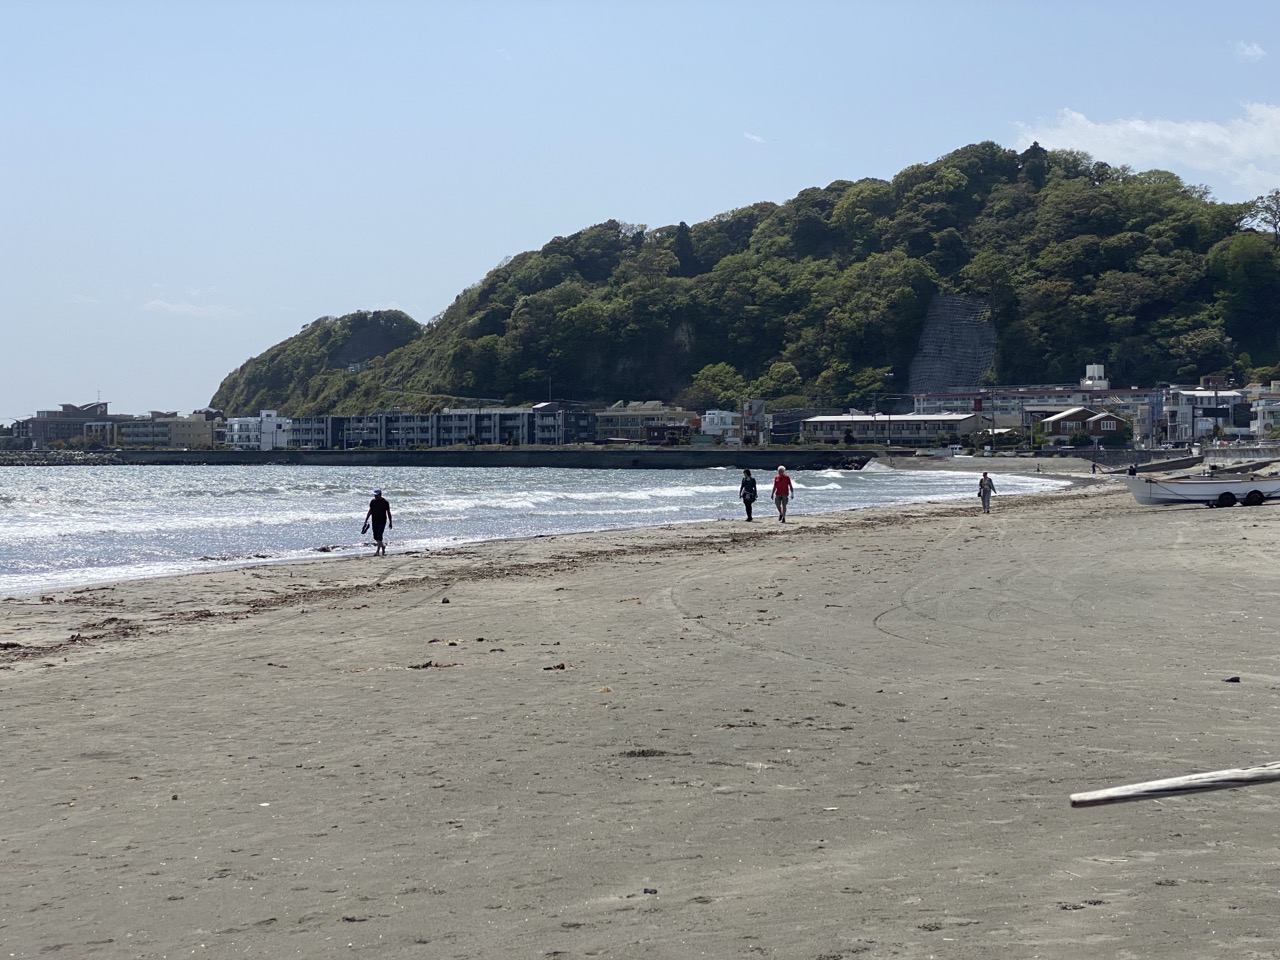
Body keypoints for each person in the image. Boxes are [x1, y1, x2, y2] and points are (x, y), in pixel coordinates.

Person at [364, 488, 392, 556]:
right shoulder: (373, 502)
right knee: (375, 536)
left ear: (380, 494)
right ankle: (383, 546)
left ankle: (378, 551)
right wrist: (366, 519)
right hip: (374, 520)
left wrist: (390, 522)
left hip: (382, 521)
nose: (375, 497)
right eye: (374, 495)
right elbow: (370, 511)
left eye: (376, 495)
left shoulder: (385, 502)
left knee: (379, 535)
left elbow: (388, 512)